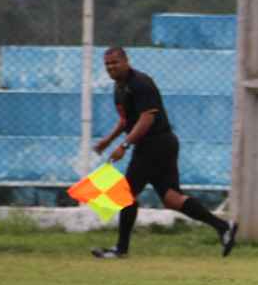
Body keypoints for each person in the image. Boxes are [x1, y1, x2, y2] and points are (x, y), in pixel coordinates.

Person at [90, 46, 237, 258]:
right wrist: (108, 140)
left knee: (125, 194)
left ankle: (121, 250)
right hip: (159, 145)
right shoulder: (119, 88)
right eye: (107, 64)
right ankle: (224, 227)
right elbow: (125, 120)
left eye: (115, 63)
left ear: (126, 61)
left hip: (155, 144)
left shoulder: (141, 82)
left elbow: (147, 118)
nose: (111, 67)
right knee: (171, 198)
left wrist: (124, 145)